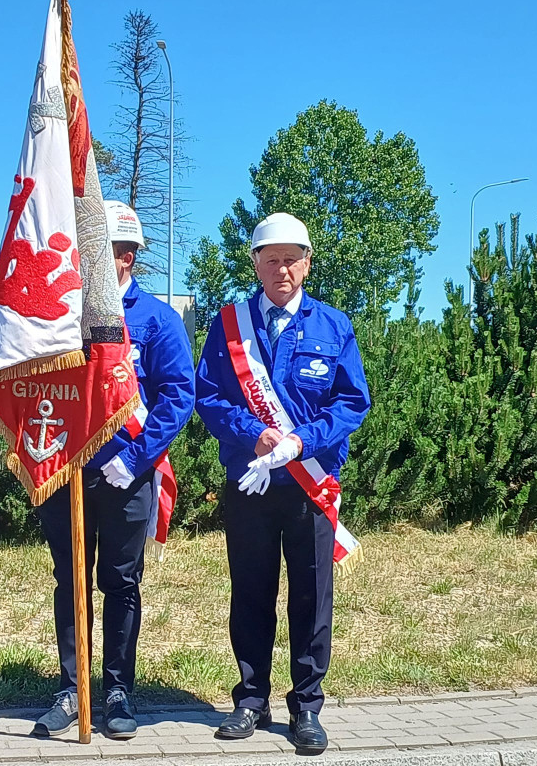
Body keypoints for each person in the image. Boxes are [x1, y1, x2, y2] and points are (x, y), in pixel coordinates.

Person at [194, 212, 370, 755]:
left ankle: (307, 707)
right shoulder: (229, 325)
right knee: (251, 590)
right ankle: (250, 699)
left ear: (307, 263)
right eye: (271, 259)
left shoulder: (333, 326)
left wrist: (301, 442)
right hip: (250, 482)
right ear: (255, 264)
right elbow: (209, 396)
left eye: (292, 258)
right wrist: (256, 435)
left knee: (312, 596)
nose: (282, 268)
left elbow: (352, 402)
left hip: (311, 486)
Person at [31, 201, 195, 740]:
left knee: (121, 582)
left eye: (122, 252)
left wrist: (137, 456)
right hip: (67, 470)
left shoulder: (158, 320)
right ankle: (70, 686)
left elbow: (178, 395)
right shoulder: (58, 319)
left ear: (132, 256)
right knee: (70, 579)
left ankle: (118, 687)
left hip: (128, 473)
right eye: (102, 251)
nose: (114, 260)